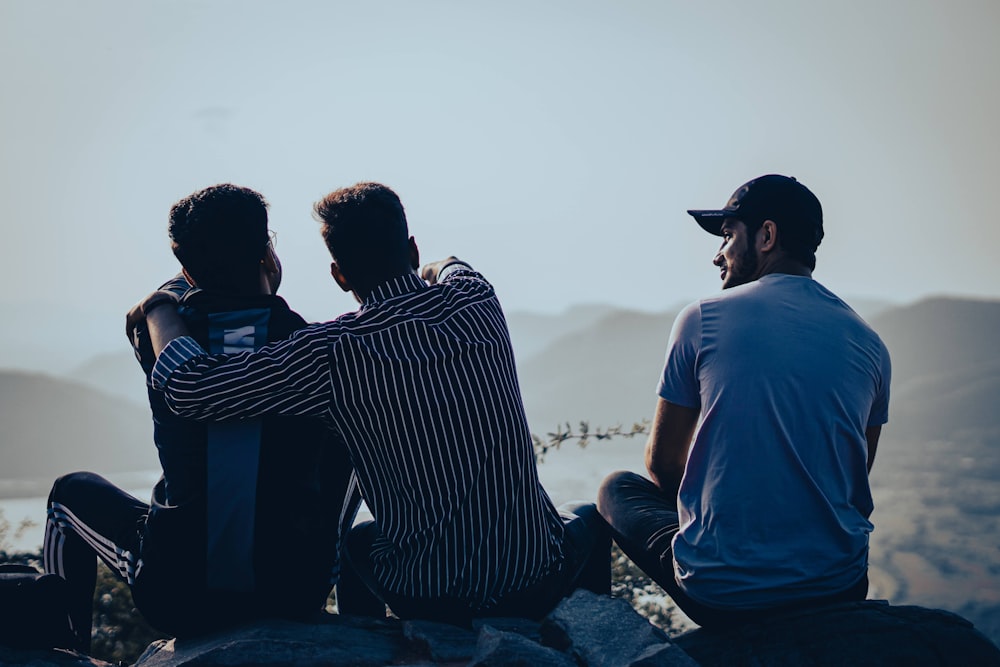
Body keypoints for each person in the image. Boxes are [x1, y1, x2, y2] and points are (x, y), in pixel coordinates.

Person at [133, 182, 610, 624]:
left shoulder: (331, 351)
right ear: (411, 248)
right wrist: (429, 269)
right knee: (586, 513)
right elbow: (453, 265)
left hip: (429, 599)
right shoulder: (476, 300)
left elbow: (191, 387)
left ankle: (367, 644)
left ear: (339, 275)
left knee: (363, 539)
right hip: (535, 583)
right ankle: (588, 636)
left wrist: (158, 307)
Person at [43, 184, 360, 651]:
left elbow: (183, 299)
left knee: (67, 495)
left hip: (180, 597)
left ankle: (66, 651)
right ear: (269, 254)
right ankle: (359, 625)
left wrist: (160, 303)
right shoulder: (311, 346)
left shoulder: (165, 348)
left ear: (188, 270)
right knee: (346, 442)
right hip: (293, 591)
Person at [598, 174, 891, 628]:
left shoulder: (702, 318)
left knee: (616, 488)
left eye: (729, 236)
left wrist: (728, 524)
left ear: (767, 235)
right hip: (839, 586)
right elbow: (850, 478)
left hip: (724, 594)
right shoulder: (871, 345)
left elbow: (663, 466)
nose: (719, 255)